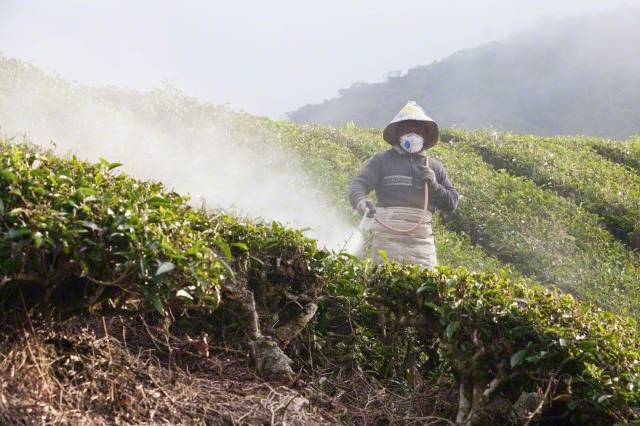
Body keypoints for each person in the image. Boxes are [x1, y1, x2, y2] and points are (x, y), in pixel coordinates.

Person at [348, 101, 459, 269]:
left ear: (425, 135)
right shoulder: (382, 161)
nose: (413, 134)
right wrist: (361, 202)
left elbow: (452, 202)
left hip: (421, 242)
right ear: (398, 134)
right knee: (383, 282)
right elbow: (359, 185)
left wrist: (435, 185)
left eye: (418, 130)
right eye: (408, 129)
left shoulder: (434, 167)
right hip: (387, 238)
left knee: (425, 288)